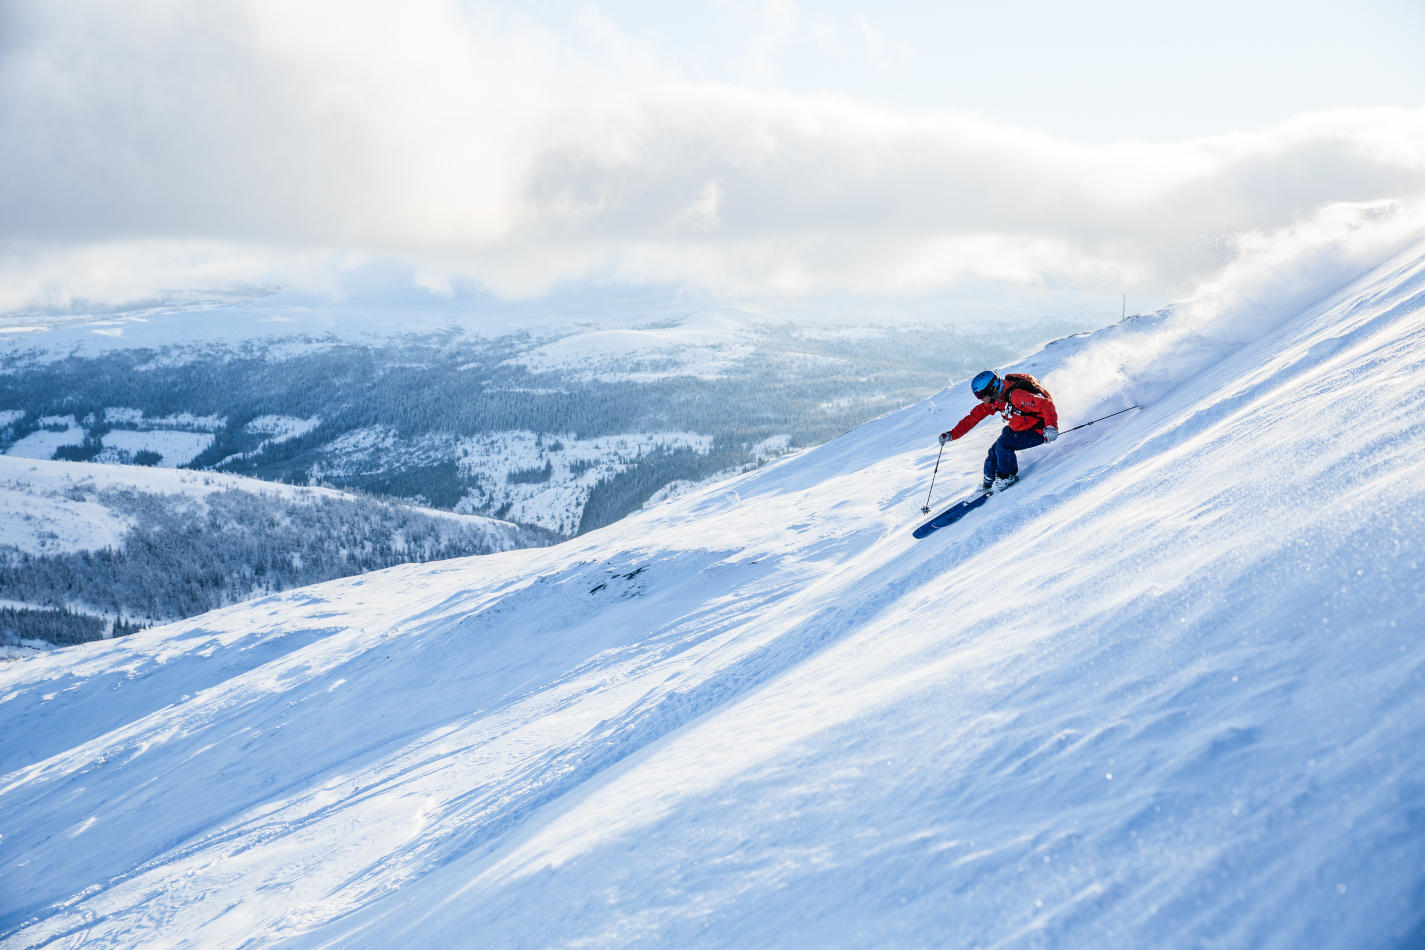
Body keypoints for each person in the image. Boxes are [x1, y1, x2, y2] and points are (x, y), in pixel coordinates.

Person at [939, 370, 1059, 492]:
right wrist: (951, 435)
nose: (981, 399)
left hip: (1039, 430)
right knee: (994, 451)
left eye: (981, 395)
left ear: (992, 389)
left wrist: (1051, 427)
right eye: (977, 396)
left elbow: (1046, 405)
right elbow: (973, 417)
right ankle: (988, 481)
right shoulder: (996, 399)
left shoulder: (1016, 396)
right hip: (1020, 426)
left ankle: (1006, 477)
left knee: (1004, 443)